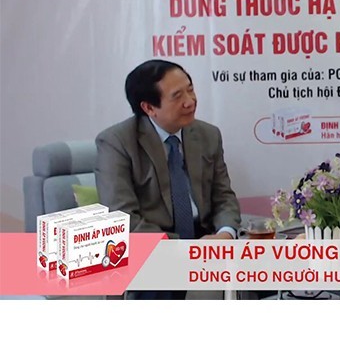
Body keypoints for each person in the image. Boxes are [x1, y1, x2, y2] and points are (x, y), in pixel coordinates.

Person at [95, 59, 242, 299]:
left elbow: (223, 196)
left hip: (206, 240)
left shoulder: (208, 135)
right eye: (177, 96)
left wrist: (225, 234)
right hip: (154, 248)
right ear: (149, 108)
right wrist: (187, 249)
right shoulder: (117, 143)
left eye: (190, 90)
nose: (190, 101)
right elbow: (122, 219)